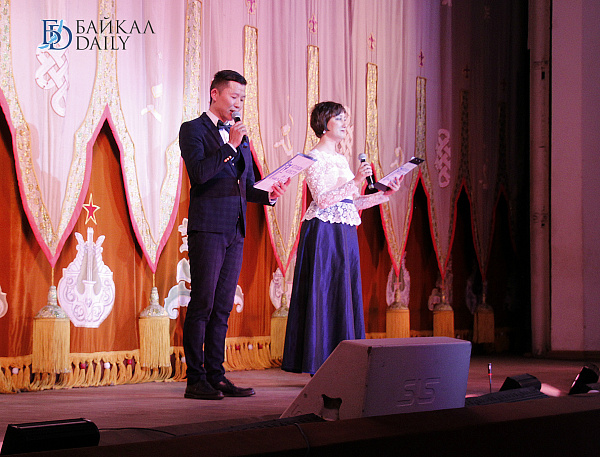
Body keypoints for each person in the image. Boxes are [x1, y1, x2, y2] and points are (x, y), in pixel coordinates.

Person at [179, 70, 289, 400]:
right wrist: (230, 145)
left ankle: (216, 375)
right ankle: (195, 379)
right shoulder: (193, 129)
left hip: (235, 229)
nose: (238, 103)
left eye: (242, 98)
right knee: (203, 302)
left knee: (223, 306)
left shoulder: (240, 137)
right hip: (208, 228)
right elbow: (200, 174)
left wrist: (269, 194)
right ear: (215, 94)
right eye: (233, 96)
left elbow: (247, 185)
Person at [282, 101, 402, 375]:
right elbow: (323, 200)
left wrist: (384, 194)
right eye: (339, 118)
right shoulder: (313, 158)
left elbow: (352, 202)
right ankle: (318, 361)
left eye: (345, 118)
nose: (345, 124)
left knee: (342, 291)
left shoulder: (341, 159)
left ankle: (342, 360)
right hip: (324, 232)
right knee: (324, 291)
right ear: (323, 124)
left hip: (344, 230)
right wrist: (356, 180)